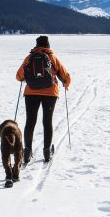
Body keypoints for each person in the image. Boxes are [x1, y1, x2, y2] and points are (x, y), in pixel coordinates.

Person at [16, 35, 71, 163]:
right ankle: (47, 152)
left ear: (36, 45)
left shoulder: (29, 58)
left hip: (31, 93)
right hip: (50, 93)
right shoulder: (52, 57)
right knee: (47, 121)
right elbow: (65, 76)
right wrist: (65, 84)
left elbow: (18, 76)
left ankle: (27, 152)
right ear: (48, 45)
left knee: (30, 121)